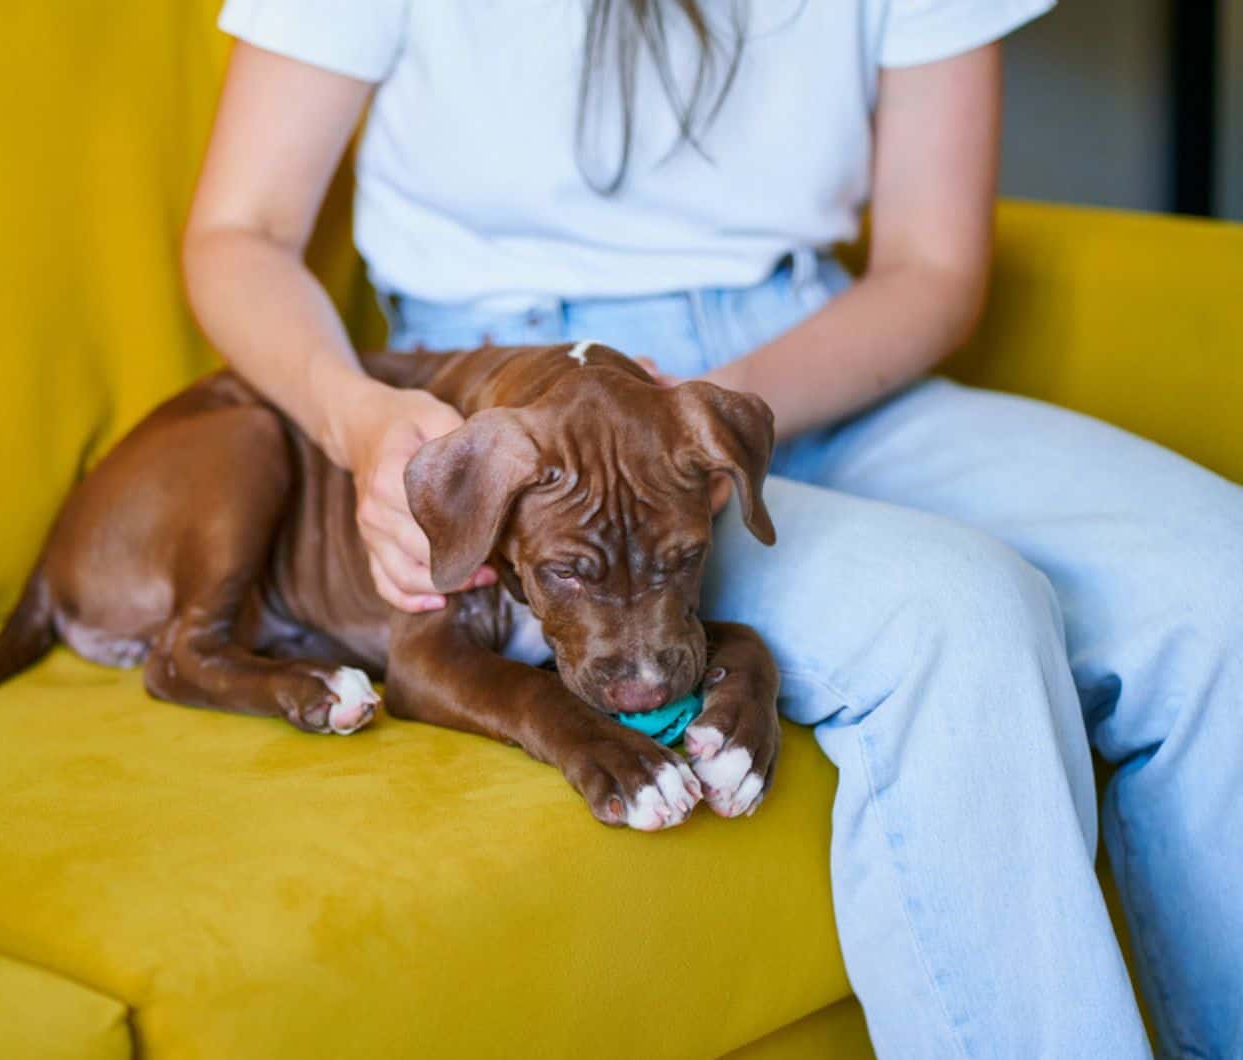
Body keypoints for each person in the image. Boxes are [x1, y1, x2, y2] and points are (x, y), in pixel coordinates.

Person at [182, 2, 1243, 1055]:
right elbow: (244, 233)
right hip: (510, 403)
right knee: (959, 616)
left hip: (808, 359)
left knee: (1220, 579)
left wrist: (687, 425)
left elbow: (932, 266)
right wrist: (357, 420)